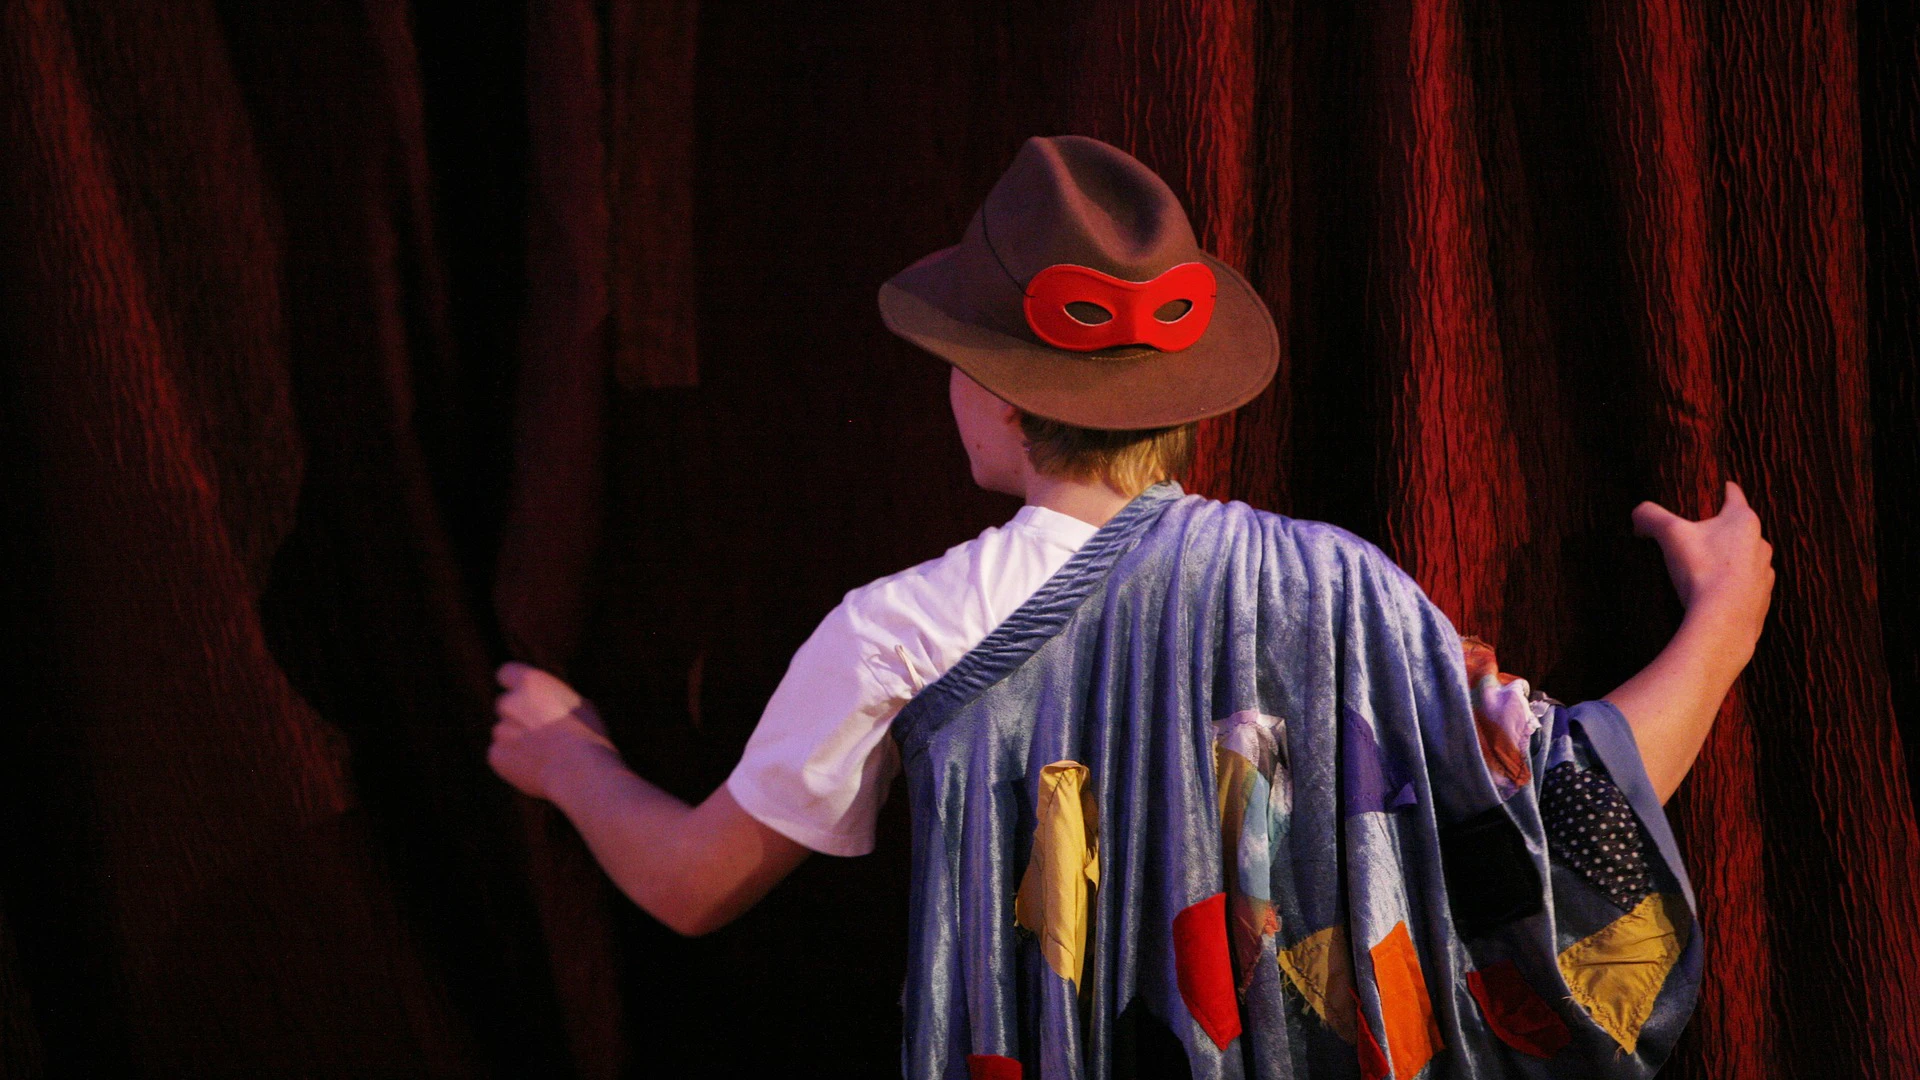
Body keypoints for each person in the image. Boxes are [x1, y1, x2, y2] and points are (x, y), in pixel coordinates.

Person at [488, 136, 1773, 1078]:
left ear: (994, 392)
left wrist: (566, 759)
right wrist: (1723, 620)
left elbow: (696, 885)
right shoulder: (1347, 589)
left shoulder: (898, 633)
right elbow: (1565, 809)